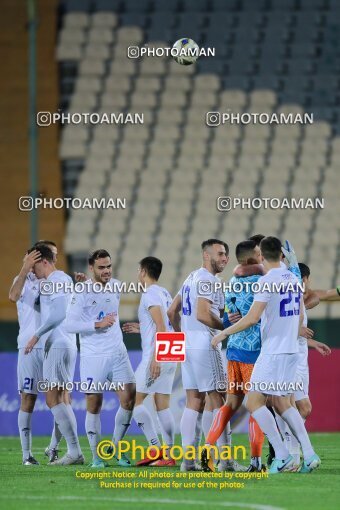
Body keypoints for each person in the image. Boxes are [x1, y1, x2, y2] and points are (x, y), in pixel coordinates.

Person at [211, 237, 320, 474]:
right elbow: (300, 315)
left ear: (261, 255)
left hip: (272, 352)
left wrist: (223, 334)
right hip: (292, 351)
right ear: (281, 254)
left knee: (253, 402)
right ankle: (309, 454)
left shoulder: (266, 282)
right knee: (282, 402)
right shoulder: (293, 278)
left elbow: (251, 318)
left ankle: (282, 455)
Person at [168, 239, 245, 472]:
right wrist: (224, 326)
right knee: (218, 400)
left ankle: (188, 461)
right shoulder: (208, 280)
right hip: (205, 343)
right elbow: (203, 314)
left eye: (226, 255)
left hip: (188, 345)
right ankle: (225, 460)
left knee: (194, 402)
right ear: (206, 254)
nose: (224, 258)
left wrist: (182, 334)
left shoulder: (191, 277)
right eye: (220, 253)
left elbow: (172, 311)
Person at [65, 249, 136, 467]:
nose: (106, 271)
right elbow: (69, 324)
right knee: (94, 404)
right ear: (91, 268)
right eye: (101, 267)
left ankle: (114, 448)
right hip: (93, 355)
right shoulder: (81, 291)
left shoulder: (115, 285)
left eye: (108, 266)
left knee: (129, 397)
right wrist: (97, 324)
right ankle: (97, 456)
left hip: (118, 352)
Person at [24, 243, 84, 465]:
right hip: (64, 343)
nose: (32, 270)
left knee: (53, 399)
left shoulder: (57, 280)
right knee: (62, 400)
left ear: (44, 262)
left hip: (59, 343)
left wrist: (37, 335)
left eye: (34, 265)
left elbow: (58, 313)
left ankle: (74, 451)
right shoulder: (59, 281)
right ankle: (69, 451)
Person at [123, 256, 176, 467]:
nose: (137, 274)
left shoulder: (149, 293)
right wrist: (141, 328)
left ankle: (155, 449)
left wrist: (155, 357)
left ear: (143, 271)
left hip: (158, 353)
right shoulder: (164, 292)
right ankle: (169, 455)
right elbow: (165, 323)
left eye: (138, 270)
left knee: (132, 399)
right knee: (161, 404)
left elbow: (162, 326)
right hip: (172, 350)